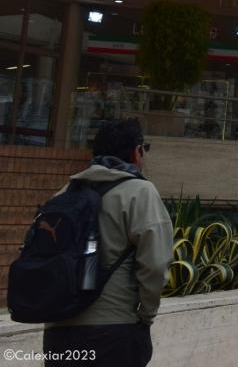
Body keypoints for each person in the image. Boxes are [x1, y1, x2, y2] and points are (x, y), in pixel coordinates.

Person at [42, 118, 172, 367]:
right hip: (113, 332)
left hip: (58, 332)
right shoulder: (140, 192)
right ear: (137, 151)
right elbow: (155, 265)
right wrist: (145, 317)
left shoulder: (64, 193)